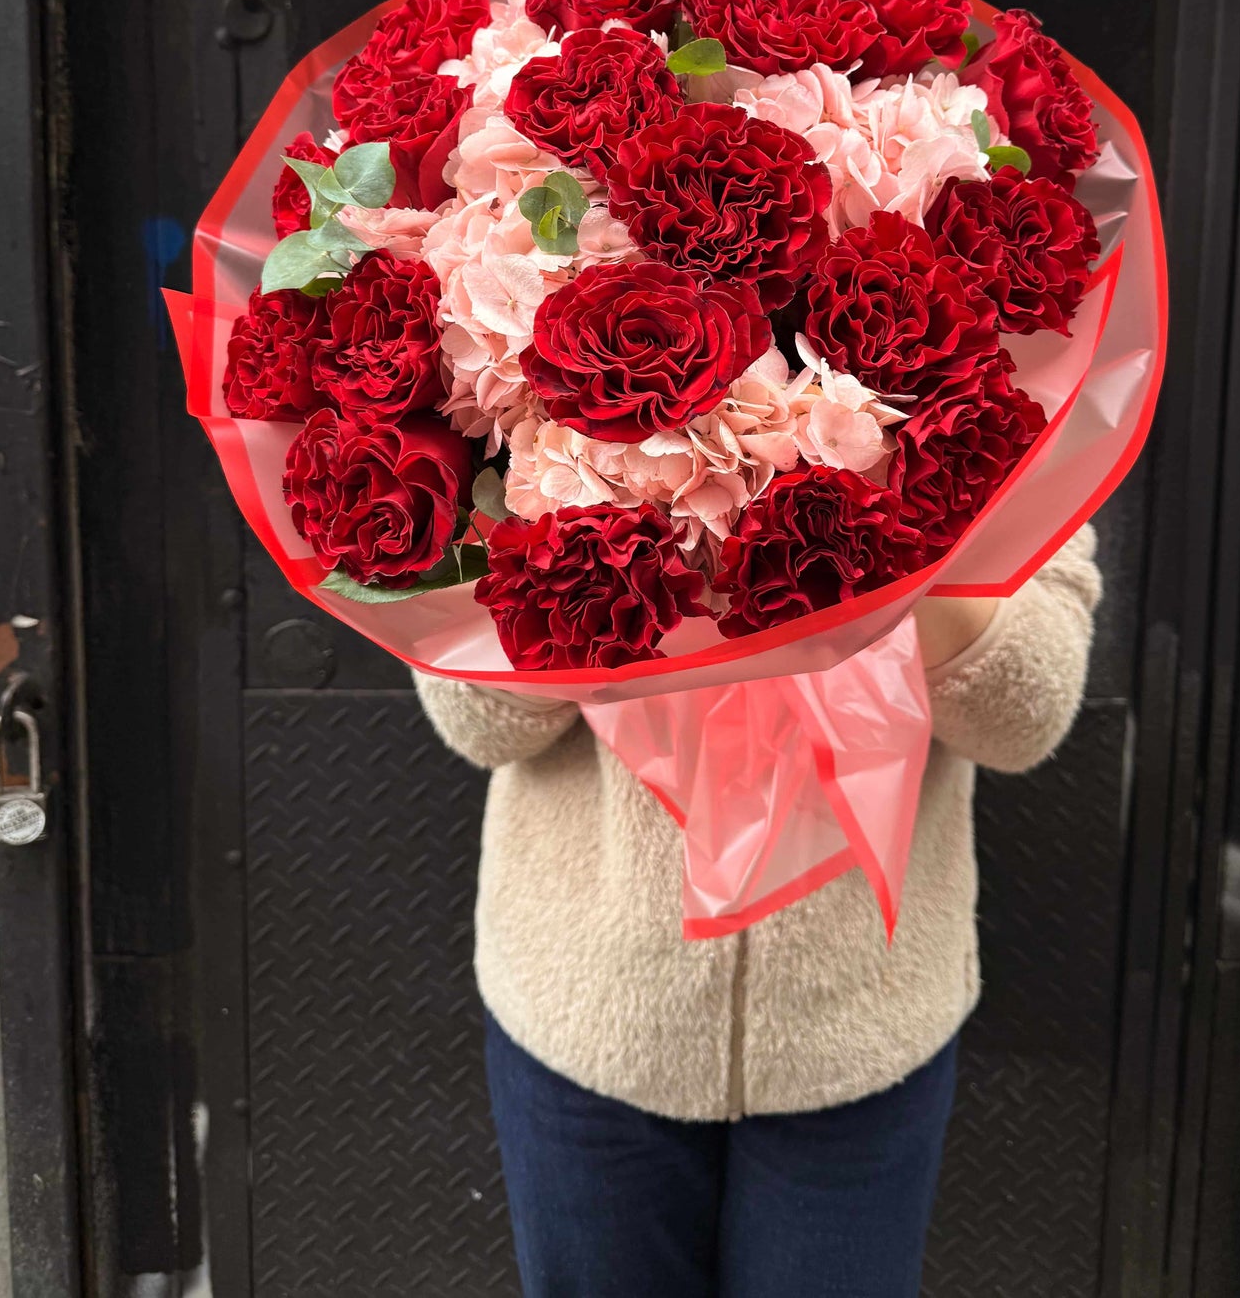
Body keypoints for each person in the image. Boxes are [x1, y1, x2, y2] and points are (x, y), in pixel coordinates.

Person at [418, 528, 1100, 1296]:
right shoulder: (532, 412)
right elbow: (473, 718)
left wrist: (895, 525)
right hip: (590, 1012)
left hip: (854, 1032)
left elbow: (1025, 717)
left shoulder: (1003, 412)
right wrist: (588, 553)